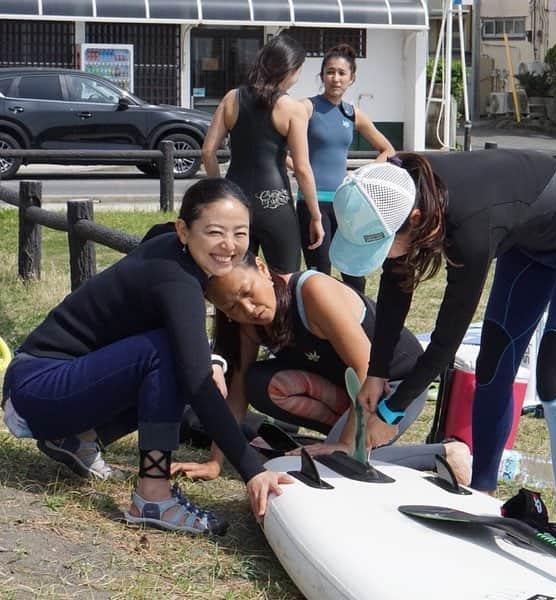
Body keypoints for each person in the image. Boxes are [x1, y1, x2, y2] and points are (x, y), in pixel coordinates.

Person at [327, 150, 556, 525]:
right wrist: (376, 372)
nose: (384, 257)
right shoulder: (395, 189)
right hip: (526, 242)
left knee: (554, 381)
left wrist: (391, 411)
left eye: (384, 246)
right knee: (492, 367)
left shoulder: (468, 229)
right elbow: (395, 290)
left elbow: (447, 339)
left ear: (414, 221)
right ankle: (482, 490)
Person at [1, 178, 290, 535]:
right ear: (184, 230)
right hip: (38, 388)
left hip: (45, 387)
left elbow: (156, 234)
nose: (229, 246)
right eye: (215, 232)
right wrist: (253, 470)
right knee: (172, 355)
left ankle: (76, 439)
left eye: (240, 233)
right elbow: (197, 383)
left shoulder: (170, 247)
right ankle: (153, 496)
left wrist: (210, 361)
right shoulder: (177, 276)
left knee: (184, 356)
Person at [170, 254, 471, 485]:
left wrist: (342, 445)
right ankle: (341, 441)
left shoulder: (312, 291)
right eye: (232, 308)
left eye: (247, 293)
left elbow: (367, 372)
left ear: (262, 268)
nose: (248, 309)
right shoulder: (248, 324)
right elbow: (237, 389)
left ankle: (442, 453)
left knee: (342, 465)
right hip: (348, 389)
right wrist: (216, 461)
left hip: (393, 387)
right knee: (257, 381)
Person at [202, 33, 324, 273]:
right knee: (286, 280)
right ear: (291, 69)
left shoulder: (232, 98)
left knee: (232, 279)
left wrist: (220, 189)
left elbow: (208, 151)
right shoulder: (292, 108)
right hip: (275, 203)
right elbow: (302, 168)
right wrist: (316, 215)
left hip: (235, 200)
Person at [293, 43, 395, 294]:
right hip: (312, 204)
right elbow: (284, 153)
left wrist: (362, 175)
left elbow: (388, 150)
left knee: (355, 275)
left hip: (347, 205)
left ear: (352, 78)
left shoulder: (352, 113)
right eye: (330, 72)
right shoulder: (307, 107)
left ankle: (358, 325)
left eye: (341, 73)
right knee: (320, 275)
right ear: (321, 76)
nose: (335, 78)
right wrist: (299, 166)